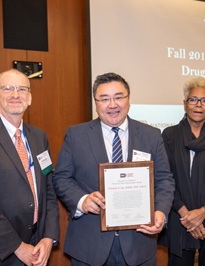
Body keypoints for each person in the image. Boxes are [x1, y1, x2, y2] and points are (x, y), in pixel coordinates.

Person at [52, 72, 175, 266]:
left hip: (139, 244)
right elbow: (61, 178)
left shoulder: (151, 135)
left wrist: (160, 212)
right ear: (96, 103)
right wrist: (82, 201)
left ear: (128, 100)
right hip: (90, 246)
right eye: (104, 99)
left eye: (119, 97)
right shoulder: (76, 135)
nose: (112, 105)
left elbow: (164, 179)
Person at [0, 69, 59, 266]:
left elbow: (49, 190)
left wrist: (48, 238)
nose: (15, 94)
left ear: (29, 98)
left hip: (37, 243)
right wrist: (17, 246)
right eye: (7, 88)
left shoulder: (39, 137)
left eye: (22, 89)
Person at [158, 77, 205, 266]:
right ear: (185, 104)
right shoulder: (170, 135)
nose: (198, 105)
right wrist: (188, 217)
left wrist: (203, 212)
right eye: (193, 100)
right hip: (180, 217)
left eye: (204, 100)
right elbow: (165, 179)